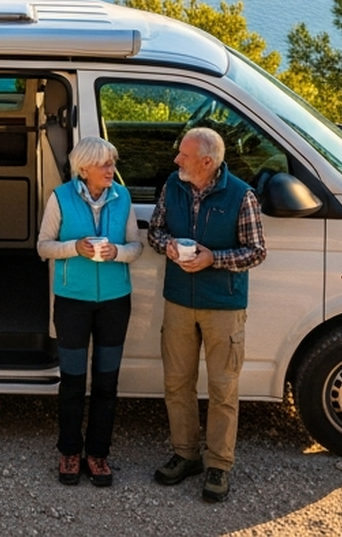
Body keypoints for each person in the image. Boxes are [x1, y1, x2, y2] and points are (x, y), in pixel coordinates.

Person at [146, 126, 267, 503]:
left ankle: (219, 464)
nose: (176, 160)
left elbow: (256, 251)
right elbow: (155, 231)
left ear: (207, 162)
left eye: (184, 155)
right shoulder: (173, 185)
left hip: (224, 306)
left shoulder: (242, 195)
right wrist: (168, 246)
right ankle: (186, 455)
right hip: (179, 301)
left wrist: (213, 258)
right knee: (176, 383)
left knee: (222, 388)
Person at [35, 136, 142, 487]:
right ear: (84, 169)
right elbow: (43, 247)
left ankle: (98, 454)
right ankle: (69, 451)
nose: (111, 170)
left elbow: (136, 246)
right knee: (72, 381)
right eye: (104, 164)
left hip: (115, 302)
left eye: (112, 162)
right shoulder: (60, 197)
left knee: (107, 383)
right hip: (72, 302)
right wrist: (75, 248)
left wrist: (118, 253)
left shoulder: (122, 197)